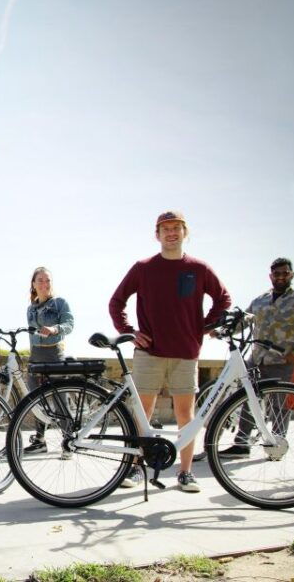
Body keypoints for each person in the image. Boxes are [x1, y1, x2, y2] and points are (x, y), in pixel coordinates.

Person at [108, 210, 231, 492]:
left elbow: (223, 299)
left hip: (186, 352)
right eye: (166, 229)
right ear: (157, 235)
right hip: (149, 352)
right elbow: (116, 302)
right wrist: (129, 331)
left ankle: (185, 473)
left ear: (185, 232)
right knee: (142, 413)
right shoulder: (143, 268)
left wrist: (204, 326)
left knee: (185, 415)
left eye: (176, 228)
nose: (171, 233)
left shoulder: (199, 268)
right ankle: (135, 468)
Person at [218, 257, 294, 458]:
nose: (281, 277)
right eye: (277, 273)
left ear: (291, 275)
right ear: (270, 276)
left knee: (279, 406)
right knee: (247, 399)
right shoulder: (260, 300)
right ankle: (242, 444)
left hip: (284, 361)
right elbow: (244, 321)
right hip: (257, 359)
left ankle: (276, 446)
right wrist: (221, 330)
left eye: (285, 273)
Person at [23, 267, 75, 454]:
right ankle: (39, 440)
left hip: (54, 354)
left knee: (60, 399)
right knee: (36, 399)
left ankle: (69, 441)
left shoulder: (60, 303)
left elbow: (69, 324)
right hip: (36, 356)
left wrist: (55, 329)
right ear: (33, 284)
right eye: (40, 280)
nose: (44, 284)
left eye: (48, 280)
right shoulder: (30, 308)